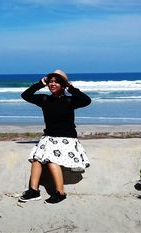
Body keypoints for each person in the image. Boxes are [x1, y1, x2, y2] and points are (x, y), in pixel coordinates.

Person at [19, 69, 91, 204]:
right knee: (37, 159)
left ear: (63, 85)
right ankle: (33, 191)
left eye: (57, 82)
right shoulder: (44, 99)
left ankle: (60, 193)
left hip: (67, 139)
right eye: (50, 81)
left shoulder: (70, 101)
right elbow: (25, 95)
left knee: (52, 160)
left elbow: (87, 100)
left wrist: (71, 87)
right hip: (49, 138)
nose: (52, 84)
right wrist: (40, 83)